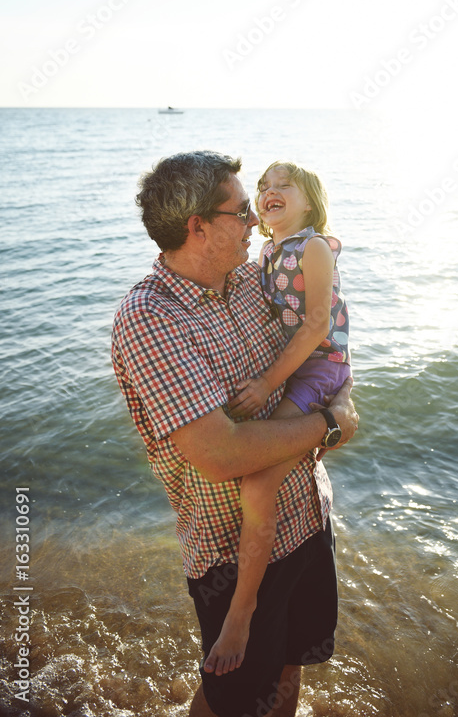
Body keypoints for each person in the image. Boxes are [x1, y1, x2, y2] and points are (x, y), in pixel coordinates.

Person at [110, 151, 358, 717]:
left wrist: (342, 395)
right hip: (233, 553)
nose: (254, 222)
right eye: (242, 211)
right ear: (198, 227)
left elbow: (324, 341)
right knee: (233, 702)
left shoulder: (255, 280)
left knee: (290, 668)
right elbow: (220, 455)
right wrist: (330, 424)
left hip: (306, 515)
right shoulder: (151, 318)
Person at [203, 161, 351, 677]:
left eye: (281, 185)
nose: (268, 192)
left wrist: (267, 383)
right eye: (263, 187)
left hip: (317, 369)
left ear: (308, 200)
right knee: (259, 469)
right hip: (294, 371)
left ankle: (241, 610)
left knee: (260, 479)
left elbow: (314, 327)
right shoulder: (267, 252)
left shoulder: (313, 247)